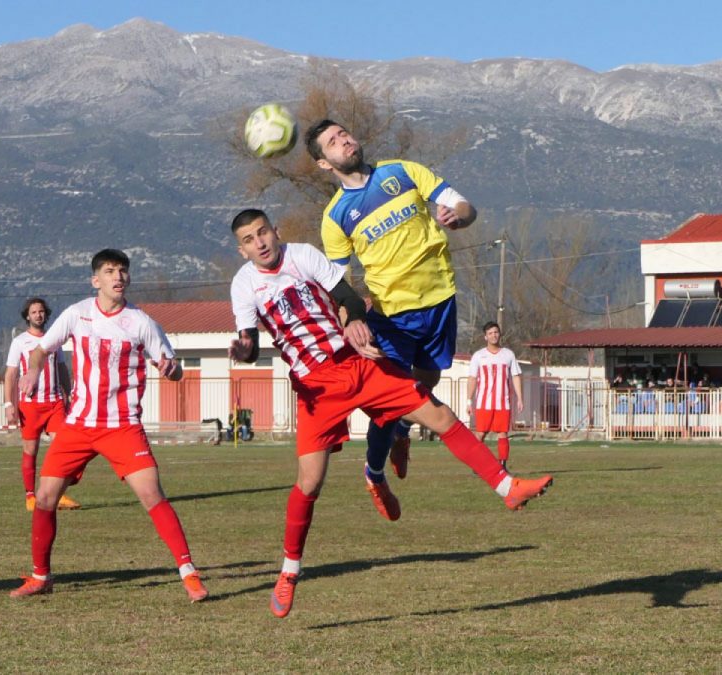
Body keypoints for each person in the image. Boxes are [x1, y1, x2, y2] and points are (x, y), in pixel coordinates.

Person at [227, 209, 552, 618]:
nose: (260, 242)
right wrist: (244, 350)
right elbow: (251, 342)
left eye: (263, 232)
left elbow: (344, 295)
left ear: (275, 231)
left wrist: (356, 322)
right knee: (309, 484)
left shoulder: (301, 254)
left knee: (441, 416)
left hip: (357, 363)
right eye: (250, 239)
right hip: (316, 388)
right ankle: (289, 572)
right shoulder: (243, 285)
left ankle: (507, 488)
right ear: (242, 249)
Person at [10, 249, 208, 603]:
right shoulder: (77, 314)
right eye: (110, 271)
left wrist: (172, 370)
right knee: (44, 498)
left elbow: (173, 367)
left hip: (122, 426)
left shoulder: (142, 322)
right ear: (95, 280)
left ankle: (189, 573)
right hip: (79, 425)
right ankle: (41, 576)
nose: (118, 277)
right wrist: (35, 367)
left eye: (123, 271)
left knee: (152, 495)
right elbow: (41, 349)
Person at [304, 119, 477, 492]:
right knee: (394, 397)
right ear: (324, 163)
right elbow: (339, 284)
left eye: (344, 133)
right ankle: (374, 472)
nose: (345, 140)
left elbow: (463, 205)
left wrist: (458, 217)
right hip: (392, 316)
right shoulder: (335, 217)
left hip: (440, 300)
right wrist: (349, 320)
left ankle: (401, 430)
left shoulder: (403, 171)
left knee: (428, 381)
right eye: (333, 141)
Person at [4, 298, 80, 511]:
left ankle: (58, 494)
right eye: (34, 312)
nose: (38, 315)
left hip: (55, 403)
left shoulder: (54, 340)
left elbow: (62, 368)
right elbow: (10, 374)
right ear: (27, 316)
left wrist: (70, 393)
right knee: (31, 450)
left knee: (63, 447)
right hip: (30, 405)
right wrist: (8, 404)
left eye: (41, 311)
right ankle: (30, 497)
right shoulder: (20, 341)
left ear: (46, 314)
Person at [466, 322, 524, 471]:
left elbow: (516, 376)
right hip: (484, 403)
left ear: (500, 334)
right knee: (480, 433)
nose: (494, 335)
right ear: (485, 336)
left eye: (496, 332)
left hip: (502, 402)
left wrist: (520, 398)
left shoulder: (508, 354)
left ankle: (503, 466)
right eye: (490, 333)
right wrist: (468, 401)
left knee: (503, 433)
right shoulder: (479, 356)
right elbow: (472, 378)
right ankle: (476, 463)